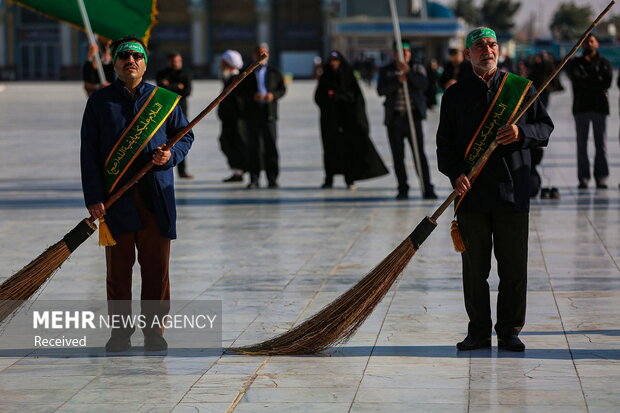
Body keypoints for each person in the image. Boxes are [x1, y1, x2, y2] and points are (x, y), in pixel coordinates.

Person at [436, 27, 553, 352]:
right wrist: (456, 173)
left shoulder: (520, 88)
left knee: (513, 266)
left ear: (499, 50)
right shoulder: (455, 94)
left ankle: (509, 330)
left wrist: (520, 132)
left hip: (513, 190)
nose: (487, 50)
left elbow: (544, 128)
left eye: (491, 44)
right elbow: (444, 146)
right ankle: (478, 331)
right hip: (471, 193)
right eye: (479, 46)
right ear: (469, 53)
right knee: (475, 268)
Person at [81, 36, 194, 353]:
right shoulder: (100, 103)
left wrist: (170, 157)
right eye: (123, 56)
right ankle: (119, 333)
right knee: (117, 272)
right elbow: (88, 153)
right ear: (114, 63)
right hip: (116, 202)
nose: (130, 60)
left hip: (156, 198)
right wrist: (93, 197)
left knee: (157, 270)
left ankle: (154, 330)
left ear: (145, 63)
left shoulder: (165, 100)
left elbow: (184, 136)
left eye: (136, 56)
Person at [314, 51, 388, 189]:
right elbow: (318, 98)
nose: (333, 63)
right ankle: (328, 178)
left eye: (336, 60)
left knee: (348, 150)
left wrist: (339, 97)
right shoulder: (325, 78)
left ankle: (350, 179)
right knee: (330, 150)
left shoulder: (348, 78)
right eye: (331, 61)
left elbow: (356, 98)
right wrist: (330, 100)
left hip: (347, 122)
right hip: (330, 122)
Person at [377, 39, 437, 200]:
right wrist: (398, 81)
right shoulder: (386, 70)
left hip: (414, 118)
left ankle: (427, 187)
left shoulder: (417, 67)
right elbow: (381, 90)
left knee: (419, 154)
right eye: (400, 52)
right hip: (395, 118)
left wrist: (408, 74)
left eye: (407, 52)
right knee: (398, 156)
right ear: (394, 54)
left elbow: (424, 85)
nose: (404, 55)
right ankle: (402, 188)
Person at [567, 34, 612, 189]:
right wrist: (596, 81)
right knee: (582, 145)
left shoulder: (604, 63)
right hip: (581, 108)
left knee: (601, 145)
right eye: (586, 42)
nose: (589, 44)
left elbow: (607, 81)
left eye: (591, 41)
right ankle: (583, 178)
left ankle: (601, 177)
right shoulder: (575, 63)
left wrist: (589, 81)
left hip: (600, 108)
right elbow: (578, 80)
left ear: (597, 43)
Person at [239, 43, 286, 189]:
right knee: (253, 146)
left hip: (269, 113)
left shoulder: (274, 71)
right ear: (254, 55)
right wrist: (253, 96)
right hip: (252, 113)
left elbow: (282, 89)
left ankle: (272, 178)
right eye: (259, 53)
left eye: (264, 53)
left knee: (270, 145)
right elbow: (239, 91)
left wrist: (273, 96)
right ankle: (254, 178)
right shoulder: (246, 71)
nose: (261, 56)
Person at [156, 52, 194, 179]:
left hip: (181, 112)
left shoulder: (185, 74)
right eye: (173, 61)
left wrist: (169, 86)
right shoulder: (161, 73)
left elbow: (187, 91)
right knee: (163, 141)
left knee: (180, 139)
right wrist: (177, 86)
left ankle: (182, 171)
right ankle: (163, 168)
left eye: (177, 61)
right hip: (164, 112)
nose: (175, 63)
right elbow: (161, 90)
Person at [218, 50, 248, 183]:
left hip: (235, 120)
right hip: (228, 119)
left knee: (235, 144)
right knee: (226, 143)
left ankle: (241, 170)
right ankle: (237, 171)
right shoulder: (228, 78)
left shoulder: (236, 79)